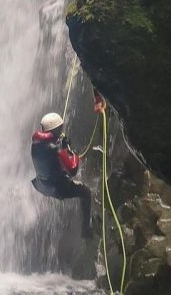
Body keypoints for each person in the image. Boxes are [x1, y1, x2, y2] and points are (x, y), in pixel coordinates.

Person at [30, 91, 106, 239]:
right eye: (61, 128)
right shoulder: (57, 148)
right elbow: (73, 170)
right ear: (57, 130)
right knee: (85, 192)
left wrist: (60, 145)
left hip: (41, 185)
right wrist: (69, 151)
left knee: (60, 182)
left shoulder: (35, 143)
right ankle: (85, 230)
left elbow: (50, 154)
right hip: (57, 188)